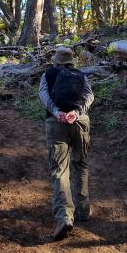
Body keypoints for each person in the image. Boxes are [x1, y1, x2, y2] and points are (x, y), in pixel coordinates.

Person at [39, 46, 94, 241]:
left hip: (57, 124)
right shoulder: (80, 74)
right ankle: (83, 210)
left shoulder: (48, 74)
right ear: (72, 61)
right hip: (80, 123)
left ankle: (64, 217)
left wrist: (57, 112)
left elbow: (44, 96)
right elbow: (89, 96)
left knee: (59, 170)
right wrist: (77, 113)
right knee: (81, 164)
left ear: (56, 60)